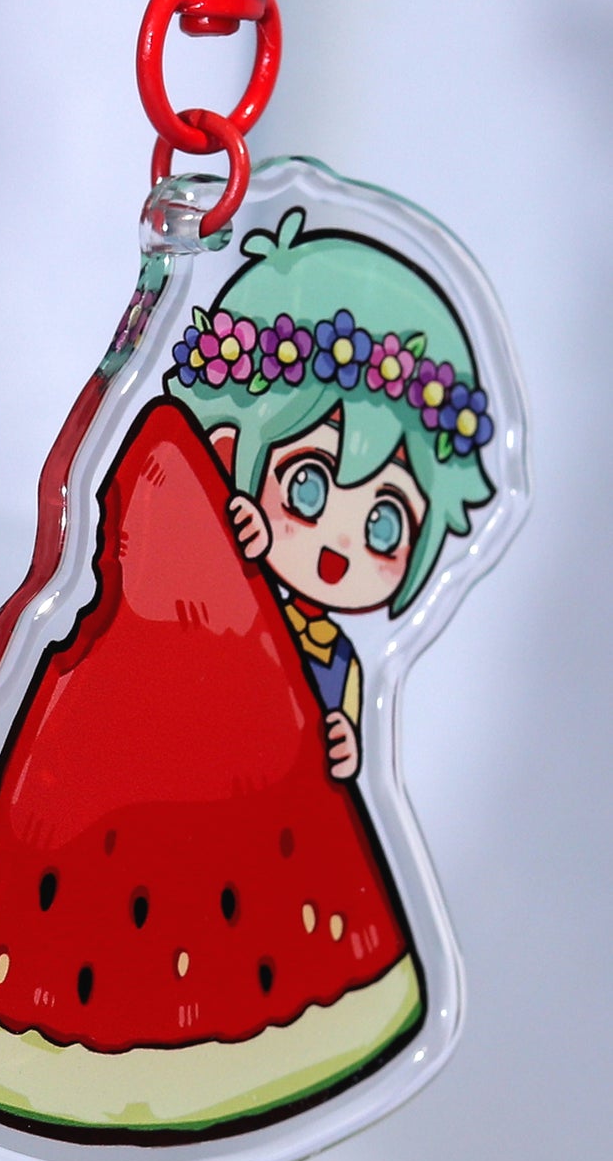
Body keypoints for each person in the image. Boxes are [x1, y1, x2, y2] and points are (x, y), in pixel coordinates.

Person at [166, 209, 497, 779]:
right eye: (308, 486)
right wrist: (230, 546)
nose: (341, 544)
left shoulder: (344, 665)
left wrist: (342, 746)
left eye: (384, 525)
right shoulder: (216, 604)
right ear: (228, 455)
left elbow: (335, 752)